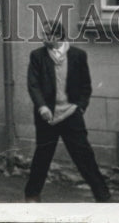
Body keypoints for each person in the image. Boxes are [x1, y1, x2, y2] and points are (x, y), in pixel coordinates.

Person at [24, 19, 110, 203]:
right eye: (43, 34)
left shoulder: (78, 55)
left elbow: (86, 86)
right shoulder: (37, 56)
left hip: (71, 114)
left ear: (57, 36)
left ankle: (104, 198)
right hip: (47, 116)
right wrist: (42, 106)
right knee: (42, 157)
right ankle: (32, 195)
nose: (43, 38)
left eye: (46, 35)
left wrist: (79, 108)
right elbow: (33, 85)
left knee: (85, 157)